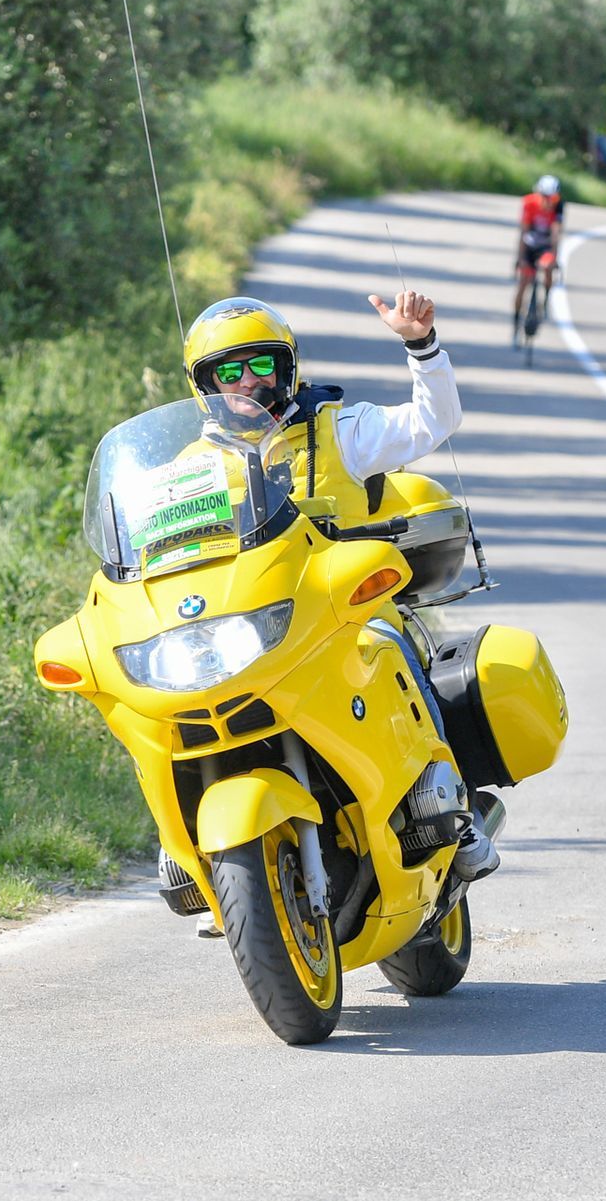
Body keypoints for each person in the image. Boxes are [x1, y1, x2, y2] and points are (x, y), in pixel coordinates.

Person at [179, 293, 498, 881]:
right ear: (205, 385)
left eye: (261, 364)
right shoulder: (187, 471)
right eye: (229, 371)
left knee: (390, 644)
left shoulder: (341, 429)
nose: (248, 381)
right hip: (253, 626)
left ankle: (455, 804)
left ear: (286, 367)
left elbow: (434, 422)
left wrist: (422, 346)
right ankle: (197, 855)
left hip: (347, 614)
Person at [513, 174, 564, 326]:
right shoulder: (529, 203)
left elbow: (556, 234)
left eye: (552, 198)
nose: (549, 201)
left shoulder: (558, 206)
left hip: (545, 246)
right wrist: (520, 257)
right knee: (523, 284)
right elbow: (523, 232)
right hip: (529, 246)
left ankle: (546, 297)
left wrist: (554, 257)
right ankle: (516, 319)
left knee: (547, 267)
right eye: (545, 197)